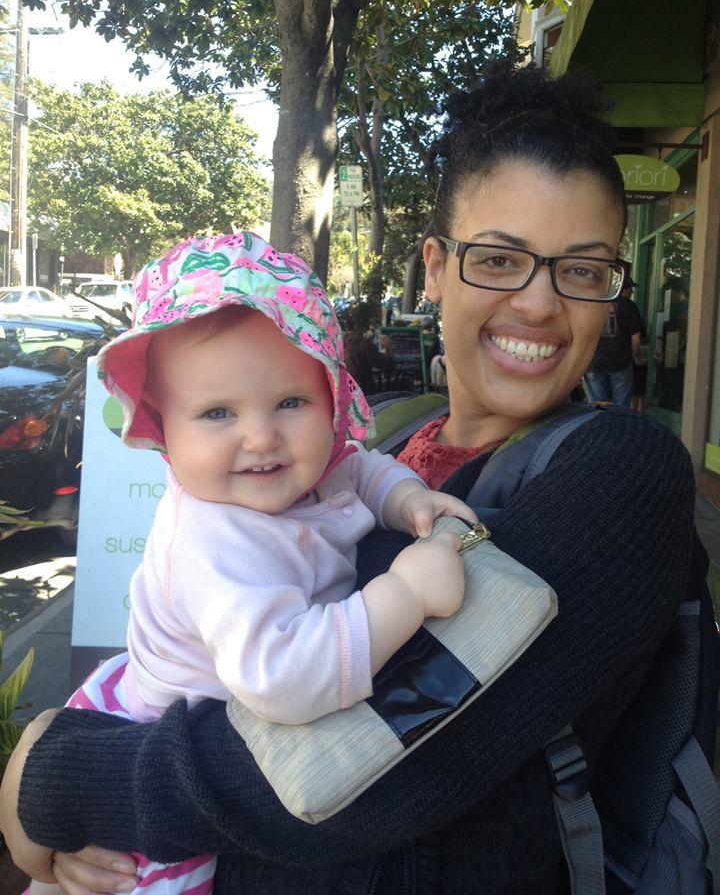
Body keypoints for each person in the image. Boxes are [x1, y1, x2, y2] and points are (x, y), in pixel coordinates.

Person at [1, 63, 695, 895]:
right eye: (500, 259)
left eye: (581, 271)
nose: (541, 305)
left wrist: (53, 774)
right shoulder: (379, 443)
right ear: (434, 267)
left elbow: (360, 763)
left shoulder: (617, 475)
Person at [24, 232, 473, 895]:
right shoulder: (215, 543)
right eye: (217, 413)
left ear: (329, 396)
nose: (261, 437)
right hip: (162, 748)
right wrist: (404, 593)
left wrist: (404, 497)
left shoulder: (313, 464)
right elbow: (285, 679)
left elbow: (359, 466)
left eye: (291, 402)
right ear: (164, 429)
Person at [583, 268, 645, 408]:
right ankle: (618, 429)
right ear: (625, 290)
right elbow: (636, 339)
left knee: (598, 406)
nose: (631, 293)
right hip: (620, 362)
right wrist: (630, 357)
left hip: (594, 362)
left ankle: (600, 428)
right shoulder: (629, 306)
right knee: (621, 407)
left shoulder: (593, 304)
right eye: (631, 290)